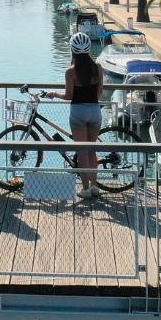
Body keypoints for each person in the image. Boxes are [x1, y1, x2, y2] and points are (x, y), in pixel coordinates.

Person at [46, 32, 103, 199]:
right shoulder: (97, 67)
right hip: (95, 110)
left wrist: (55, 94)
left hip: (78, 111)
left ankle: (84, 189)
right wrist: (92, 103)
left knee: (82, 151)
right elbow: (100, 91)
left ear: (72, 50)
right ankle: (94, 186)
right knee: (92, 149)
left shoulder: (70, 71)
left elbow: (69, 95)